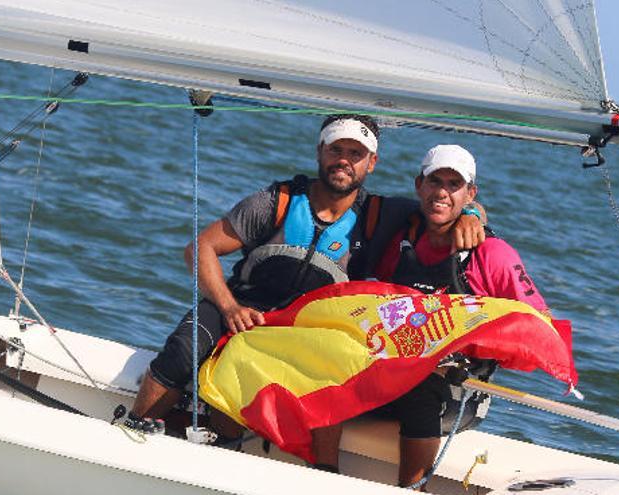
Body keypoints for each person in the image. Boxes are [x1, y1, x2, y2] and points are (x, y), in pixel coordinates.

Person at [130, 116, 486, 471]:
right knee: (184, 348)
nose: (344, 160)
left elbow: (442, 206)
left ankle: (323, 475)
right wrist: (229, 307)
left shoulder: (382, 214)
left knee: (331, 370)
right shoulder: (277, 201)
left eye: (355, 153)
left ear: (371, 163)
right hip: (244, 310)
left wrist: (472, 213)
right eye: (336, 149)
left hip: (311, 328)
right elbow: (200, 248)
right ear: (320, 152)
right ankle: (130, 435)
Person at [371, 144, 551, 488]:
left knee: (420, 385)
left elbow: (540, 323)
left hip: (457, 391)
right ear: (418, 185)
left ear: (470, 193)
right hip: (393, 372)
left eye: (454, 185)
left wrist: (473, 340)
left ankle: (412, 487)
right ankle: (322, 472)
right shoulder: (401, 240)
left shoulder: (494, 254)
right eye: (434, 181)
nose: (441, 192)